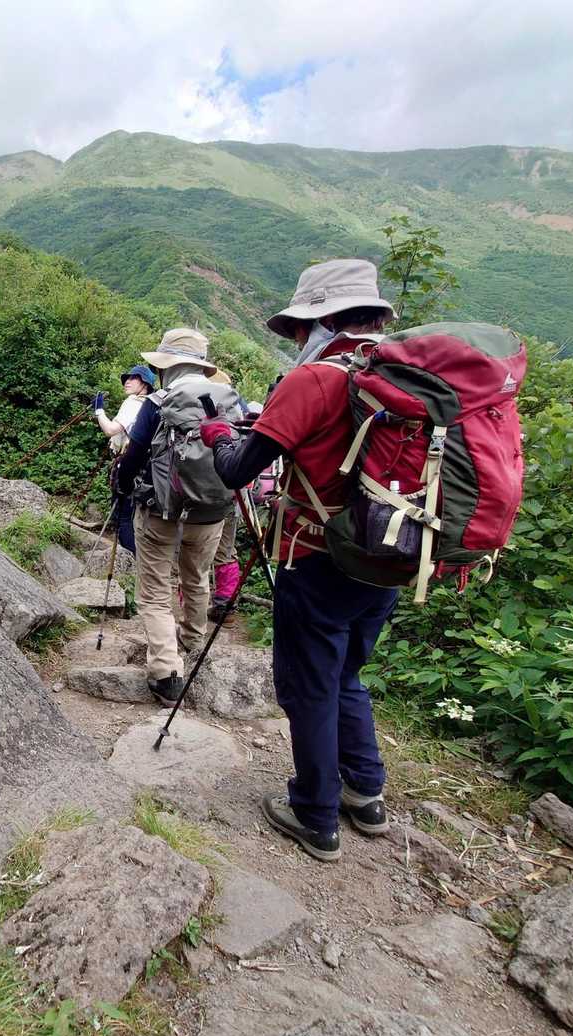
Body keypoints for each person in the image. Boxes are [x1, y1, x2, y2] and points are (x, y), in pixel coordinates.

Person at [197, 258, 397, 863]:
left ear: (322, 321)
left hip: (317, 556)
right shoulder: (395, 374)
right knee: (346, 674)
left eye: (298, 329)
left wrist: (220, 435)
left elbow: (238, 470)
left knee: (308, 685)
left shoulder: (314, 380)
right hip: (391, 553)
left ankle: (315, 814)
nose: (295, 340)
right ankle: (365, 792)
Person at [114, 329, 241, 706]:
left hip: (161, 510)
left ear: (165, 366)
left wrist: (123, 485)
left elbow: (134, 455)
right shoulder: (228, 400)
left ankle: (167, 672)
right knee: (197, 577)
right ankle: (191, 641)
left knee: (155, 590)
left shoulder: (157, 401)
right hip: (211, 512)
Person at [92, 364, 156, 553]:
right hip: (146, 469)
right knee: (136, 516)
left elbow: (111, 430)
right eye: (126, 378)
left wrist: (99, 411)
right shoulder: (151, 404)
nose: (127, 381)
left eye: (134, 378)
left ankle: (131, 559)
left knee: (123, 517)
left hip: (128, 465)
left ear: (145, 383)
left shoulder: (133, 403)